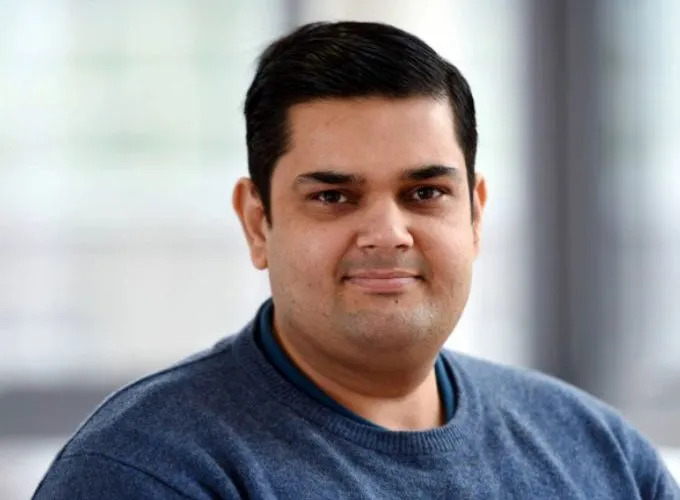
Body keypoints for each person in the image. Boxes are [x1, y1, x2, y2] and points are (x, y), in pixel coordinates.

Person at [34, 21, 679, 499]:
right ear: (258, 223)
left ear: (475, 215)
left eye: (425, 193)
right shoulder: (148, 473)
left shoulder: (600, 454)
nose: (388, 234)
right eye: (333, 197)